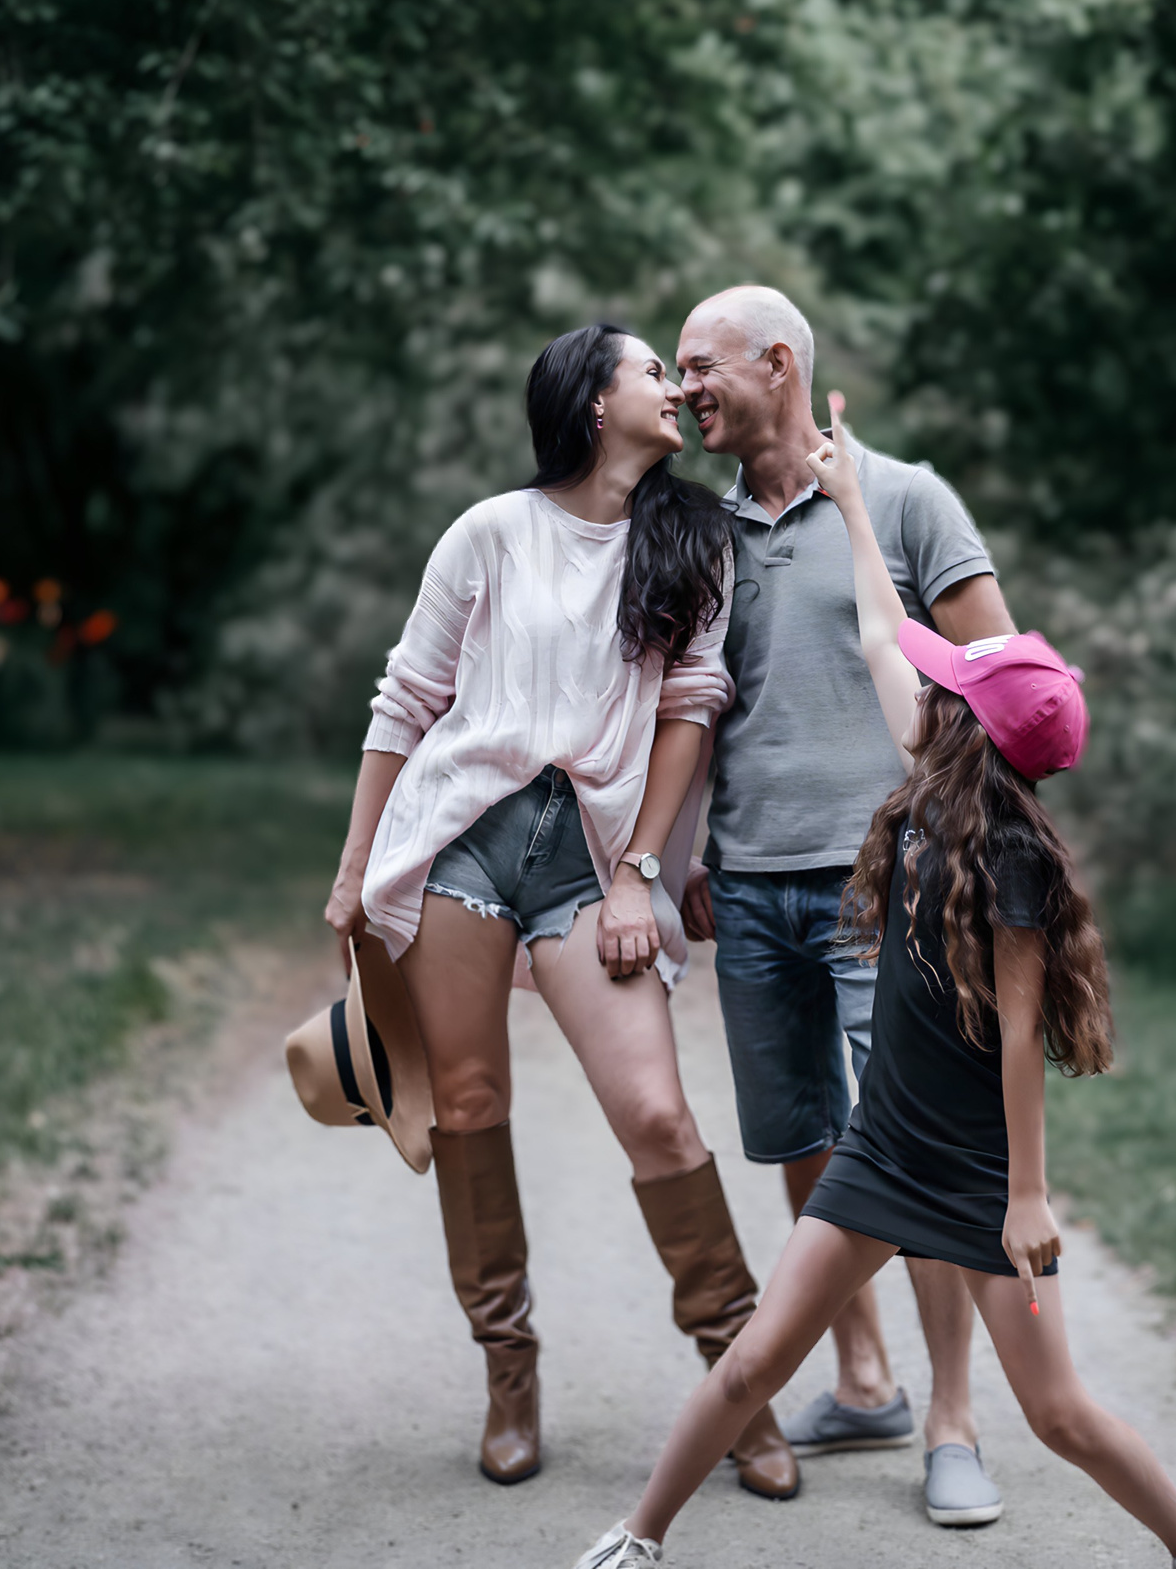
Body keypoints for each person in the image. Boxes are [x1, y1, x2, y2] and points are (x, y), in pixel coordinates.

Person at [571, 420, 1176, 1569]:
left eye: (953, 685)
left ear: (968, 729)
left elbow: (1022, 1035)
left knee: (1059, 1413)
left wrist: (1028, 1199)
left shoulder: (1010, 861)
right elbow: (886, 627)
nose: (925, 683)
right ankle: (635, 1538)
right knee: (751, 1363)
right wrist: (849, 503)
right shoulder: (928, 788)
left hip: (983, 1188)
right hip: (878, 1157)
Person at [320, 322, 798, 1500]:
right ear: (593, 401)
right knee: (472, 1101)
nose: (675, 390)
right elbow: (406, 698)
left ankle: (737, 1385)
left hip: (589, 860)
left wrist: (641, 865)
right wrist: (351, 868)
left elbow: (690, 706)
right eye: (651, 372)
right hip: (458, 844)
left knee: (656, 1114)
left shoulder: (688, 539)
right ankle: (509, 1371)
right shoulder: (490, 532)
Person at [672, 284, 1015, 1524]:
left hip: (894, 887)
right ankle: (863, 1377)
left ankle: (952, 1420)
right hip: (750, 887)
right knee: (811, 1136)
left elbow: (1002, 679)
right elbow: (703, 707)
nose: (682, 388)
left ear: (778, 363)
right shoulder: (702, 527)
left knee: (910, 1143)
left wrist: (967, 857)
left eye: (699, 366)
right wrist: (684, 854)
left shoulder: (905, 497)